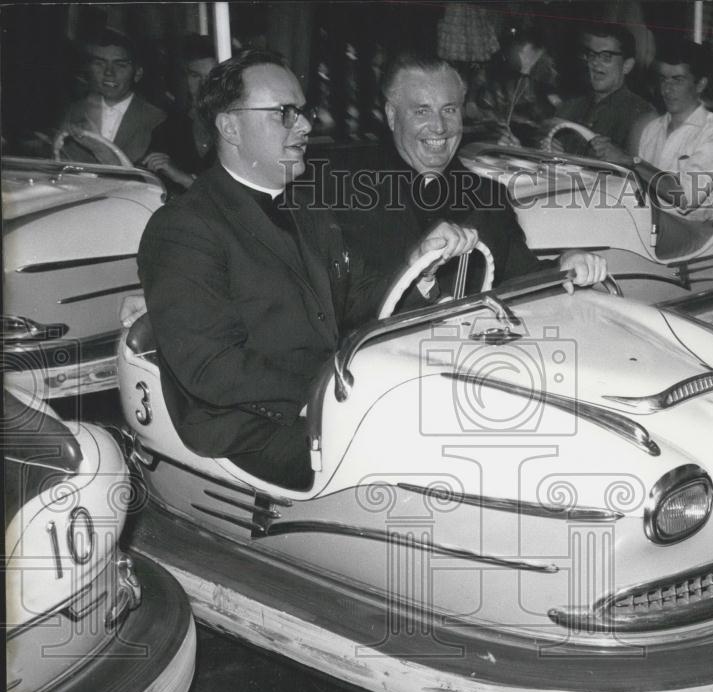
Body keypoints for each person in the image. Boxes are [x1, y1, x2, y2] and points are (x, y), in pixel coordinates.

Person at [137, 50, 477, 491]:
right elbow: (212, 369)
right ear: (230, 126)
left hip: (327, 399)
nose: (305, 126)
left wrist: (418, 269)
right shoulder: (183, 227)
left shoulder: (306, 206)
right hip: (252, 428)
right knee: (435, 456)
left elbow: (355, 303)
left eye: (302, 111)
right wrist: (334, 394)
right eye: (284, 113)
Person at [335, 52, 606, 297]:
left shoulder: (488, 195)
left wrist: (565, 265)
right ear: (392, 116)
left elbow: (521, 279)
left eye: (449, 110)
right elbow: (350, 309)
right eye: (422, 111)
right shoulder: (354, 196)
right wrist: (419, 269)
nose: (439, 127)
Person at [596, 41, 713, 257]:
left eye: (678, 80)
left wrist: (630, 161)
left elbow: (686, 197)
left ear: (700, 84)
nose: (667, 89)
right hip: (659, 225)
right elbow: (637, 189)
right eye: (662, 79)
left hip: (701, 233)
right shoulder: (653, 129)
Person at [60, 29, 166, 165]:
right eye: (100, 63)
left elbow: (147, 179)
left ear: (137, 73)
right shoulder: (74, 111)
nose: (108, 72)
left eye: (120, 65)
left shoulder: (156, 119)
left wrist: (99, 149)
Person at [556, 24, 654, 158]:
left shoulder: (642, 116)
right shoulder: (568, 108)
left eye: (606, 56)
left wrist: (623, 159)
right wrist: (550, 152)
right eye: (592, 55)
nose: (595, 63)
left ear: (627, 66)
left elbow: (648, 173)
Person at [144, 34, 219, 191]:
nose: (203, 85)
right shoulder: (167, 129)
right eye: (195, 76)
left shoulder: (244, 129)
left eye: (213, 77)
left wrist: (184, 179)